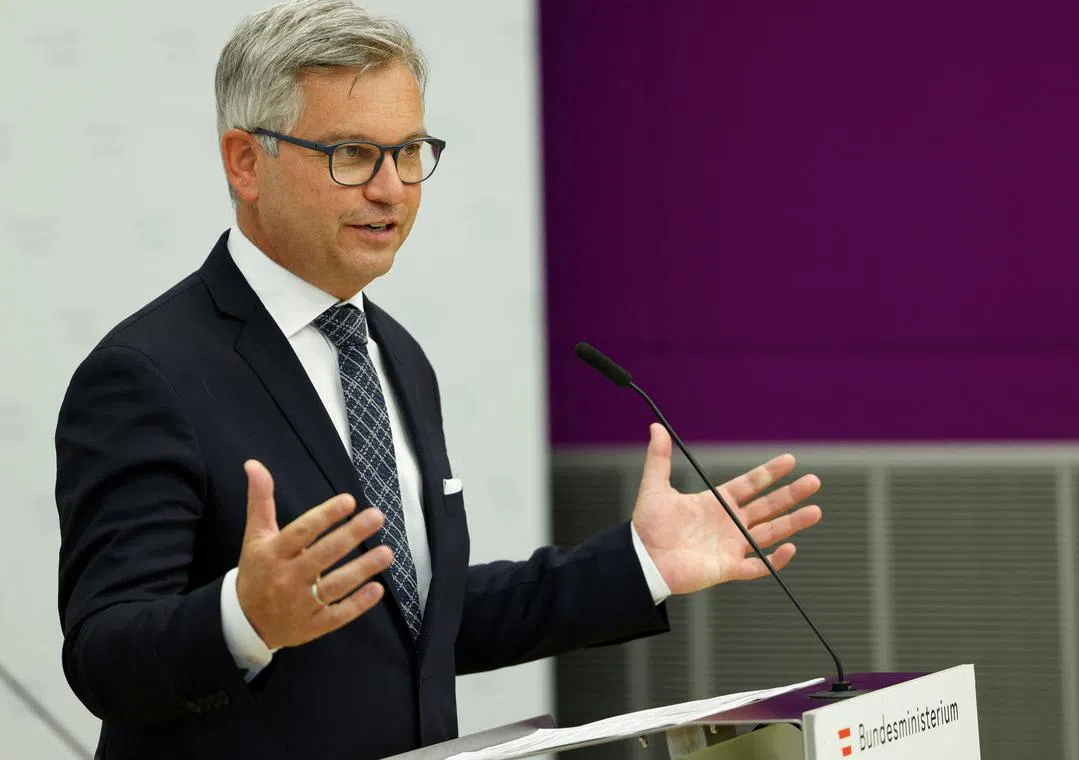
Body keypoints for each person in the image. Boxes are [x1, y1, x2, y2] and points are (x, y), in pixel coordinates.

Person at [53, 1, 824, 758]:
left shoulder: (395, 354)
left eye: (410, 151)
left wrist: (640, 563)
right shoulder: (145, 376)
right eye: (352, 154)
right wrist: (244, 620)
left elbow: (417, 621)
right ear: (246, 162)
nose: (391, 188)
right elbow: (102, 656)